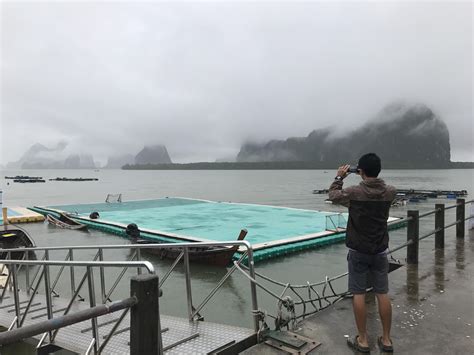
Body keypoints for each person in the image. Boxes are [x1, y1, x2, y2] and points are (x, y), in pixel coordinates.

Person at [328, 153, 396, 353]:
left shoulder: (354, 193)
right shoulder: (390, 192)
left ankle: (363, 340)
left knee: (358, 294)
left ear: (361, 171)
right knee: (382, 293)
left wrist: (339, 177)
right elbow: (377, 191)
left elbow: (333, 196)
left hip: (358, 251)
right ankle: (386, 340)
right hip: (380, 250)